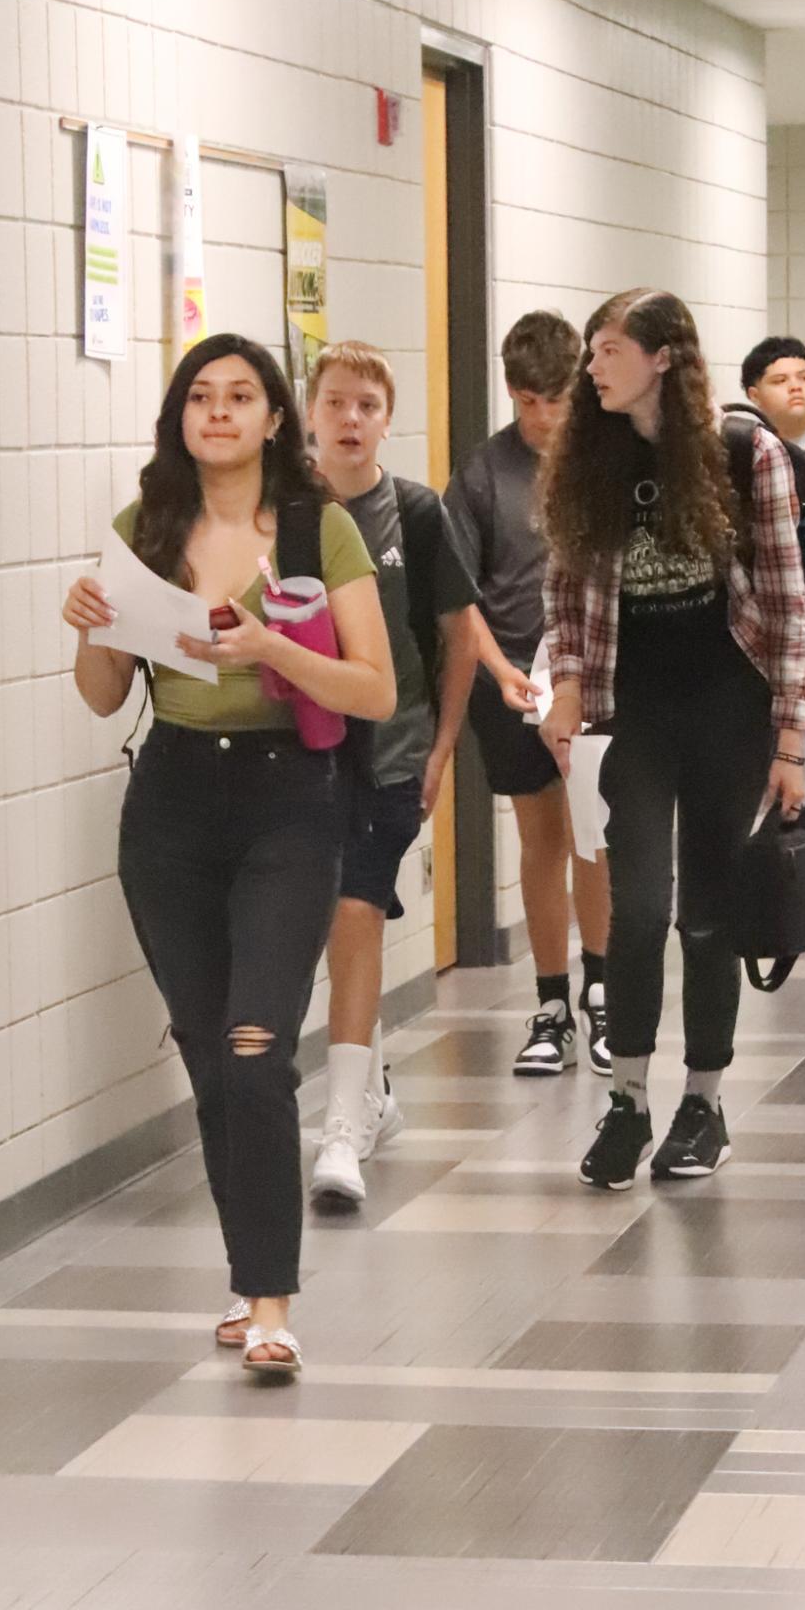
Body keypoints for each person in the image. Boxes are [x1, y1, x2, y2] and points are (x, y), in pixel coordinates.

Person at [62, 334, 394, 1376]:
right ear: (179, 420)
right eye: (200, 397)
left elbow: (375, 689)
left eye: (240, 396)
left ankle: (270, 1306)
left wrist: (271, 648)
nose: (218, 412)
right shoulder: (145, 528)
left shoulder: (316, 529)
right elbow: (103, 693)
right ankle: (246, 1271)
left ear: (272, 418)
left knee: (257, 1047)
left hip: (287, 802)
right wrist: (91, 627)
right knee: (209, 1055)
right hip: (170, 804)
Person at [540, 289, 805, 1190]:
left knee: (706, 912)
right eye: (593, 349)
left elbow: (786, 603)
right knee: (640, 908)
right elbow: (565, 584)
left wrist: (789, 744)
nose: (593, 365)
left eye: (610, 348)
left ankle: (704, 1100)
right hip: (641, 713)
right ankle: (627, 1100)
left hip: (730, 707)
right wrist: (570, 683)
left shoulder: (745, 454)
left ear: (663, 357)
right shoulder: (593, 454)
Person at [305, 342, 480, 1209]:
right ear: (308, 413)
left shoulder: (413, 513)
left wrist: (442, 747)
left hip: (389, 754)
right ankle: (368, 1088)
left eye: (367, 405)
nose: (350, 419)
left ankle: (340, 1129)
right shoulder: (281, 513)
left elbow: (459, 637)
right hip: (295, 755)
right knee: (323, 922)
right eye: (335, 402)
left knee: (354, 909)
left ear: (387, 417)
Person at [444, 311, 612, 1079]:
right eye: (526, 401)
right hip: (513, 684)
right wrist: (500, 670)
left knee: (594, 838)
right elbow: (459, 596)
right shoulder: (481, 475)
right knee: (541, 839)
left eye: (556, 399)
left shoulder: (605, 457)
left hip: (598, 682)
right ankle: (552, 1004)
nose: (542, 416)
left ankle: (604, 991)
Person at [726, 335, 805, 918]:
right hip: (764, 651)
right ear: (751, 394)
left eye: (804, 375)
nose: (796, 386)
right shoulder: (750, 457)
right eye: (780, 379)